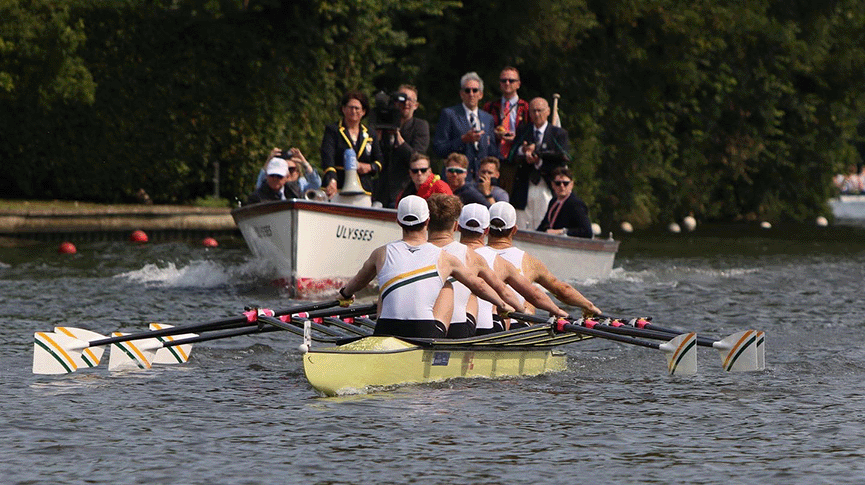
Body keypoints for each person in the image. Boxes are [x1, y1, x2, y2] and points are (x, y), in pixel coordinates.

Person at [338, 195, 514, 339]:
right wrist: (501, 304)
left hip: (385, 330)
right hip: (422, 333)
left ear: (398, 222)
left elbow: (359, 280)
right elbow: (479, 285)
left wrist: (345, 294)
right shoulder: (444, 258)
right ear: (427, 221)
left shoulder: (381, 253)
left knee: (387, 288)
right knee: (447, 286)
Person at [457, 203, 569, 335]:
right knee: (520, 302)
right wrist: (556, 311)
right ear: (486, 230)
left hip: (447, 327)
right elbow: (533, 294)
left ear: (458, 227)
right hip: (488, 329)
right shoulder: (495, 259)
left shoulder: (444, 254)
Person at [425, 194, 524, 338]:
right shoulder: (471, 256)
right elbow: (501, 290)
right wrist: (521, 311)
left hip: (411, 327)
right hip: (466, 330)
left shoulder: (395, 252)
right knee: (472, 293)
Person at [487, 201, 601, 325]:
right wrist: (588, 305)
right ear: (514, 230)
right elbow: (562, 290)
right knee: (529, 298)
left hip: (482, 324)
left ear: (486, 229)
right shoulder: (528, 261)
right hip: (517, 325)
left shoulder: (474, 255)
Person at [509, 97, 570, 230]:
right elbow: (512, 155)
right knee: (522, 225)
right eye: (533, 111)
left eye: (540, 110)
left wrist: (539, 155)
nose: (537, 114)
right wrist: (524, 151)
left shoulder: (558, 133)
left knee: (544, 224)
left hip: (547, 186)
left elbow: (564, 156)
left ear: (548, 111)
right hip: (525, 187)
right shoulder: (523, 130)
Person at [320, 90, 384, 205]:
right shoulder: (333, 130)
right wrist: (332, 180)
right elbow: (327, 157)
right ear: (343, 109)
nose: (353, 111)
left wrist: (370, 167)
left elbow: (379, 159)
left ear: (363, 111)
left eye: (357, 108)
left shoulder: (370, 133)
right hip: (338, 188)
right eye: (350, 107)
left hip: (362, 191)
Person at [432, 72, 497, 182]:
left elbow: (491, 152)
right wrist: (462, 140)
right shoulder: (449, 114)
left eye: (475, 90)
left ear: (480, 94)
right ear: (461, 94)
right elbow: (439, 149)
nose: (471, 94)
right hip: (456, 180)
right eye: (467, 90)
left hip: (481, 181)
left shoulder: (488, 118)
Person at [374, 84, 430, 208]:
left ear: (416, 105)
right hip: (380, 189)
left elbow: (416, 157)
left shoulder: (420, 126)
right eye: (402, 98)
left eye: (410, 99)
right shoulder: (383, 122)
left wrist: (398, 136)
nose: (405, 103)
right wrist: (377, 139)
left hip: (404, 190)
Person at [483, 66, 530, 192]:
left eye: (511, 80)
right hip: (494, 158)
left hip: (515, 159)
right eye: (504, 81)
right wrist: (494, 135)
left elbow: (531, 133)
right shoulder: (490, 107)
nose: (507, 83)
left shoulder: (526, 108)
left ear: (518, 84)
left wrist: (517, 139)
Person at [536, 167, 593, 238]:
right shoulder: (553, 202)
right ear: (552, 185)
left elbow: (587, 231)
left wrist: (562, 231)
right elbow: (544, 225)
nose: (562, 186)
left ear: (571, 185)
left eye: (565, 183)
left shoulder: (575, 203)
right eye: (558, 183)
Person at [255, 147, 321, 198]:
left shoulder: (301, 184)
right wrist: (269, 160)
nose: (287, 173)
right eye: (284, 170)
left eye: (291, 169)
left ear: (298, 172)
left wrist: (304, 162)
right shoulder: (275, 186)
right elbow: (259, 186)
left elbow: (316, 184)